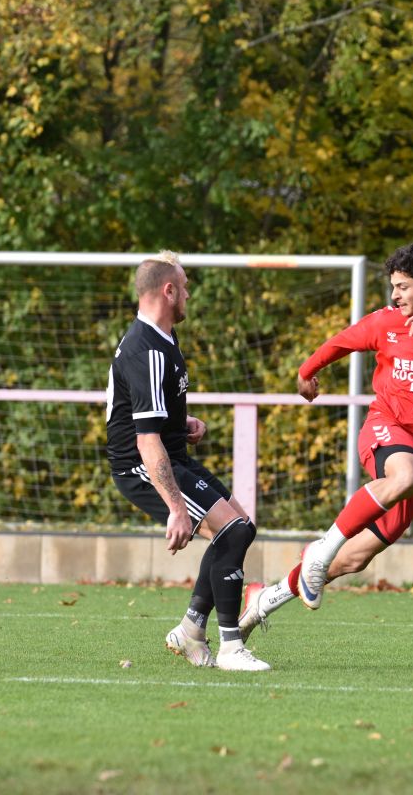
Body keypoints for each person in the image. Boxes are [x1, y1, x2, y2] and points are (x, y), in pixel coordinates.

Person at [238, 241, 413, 635]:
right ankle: (320, 550)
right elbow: (340, 342)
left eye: (403, 287)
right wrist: (306, 372)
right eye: (393, 287)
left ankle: (264, 598)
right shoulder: (387, 321)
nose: (395, 295)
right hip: (388, 426)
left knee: (354, 558)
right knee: (405, 476)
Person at [106, 250, 269, 672]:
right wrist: (176, 508)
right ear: (168, 290)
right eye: (185, 287)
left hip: (170, 452)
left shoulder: (163, 338)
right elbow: (145, 441)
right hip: (142, 466)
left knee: (241, 527)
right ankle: (230, 647)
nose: (189, 295)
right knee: (231, 532)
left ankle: (191, 628)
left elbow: (149, 414)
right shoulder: (146, 349)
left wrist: (182, 422)